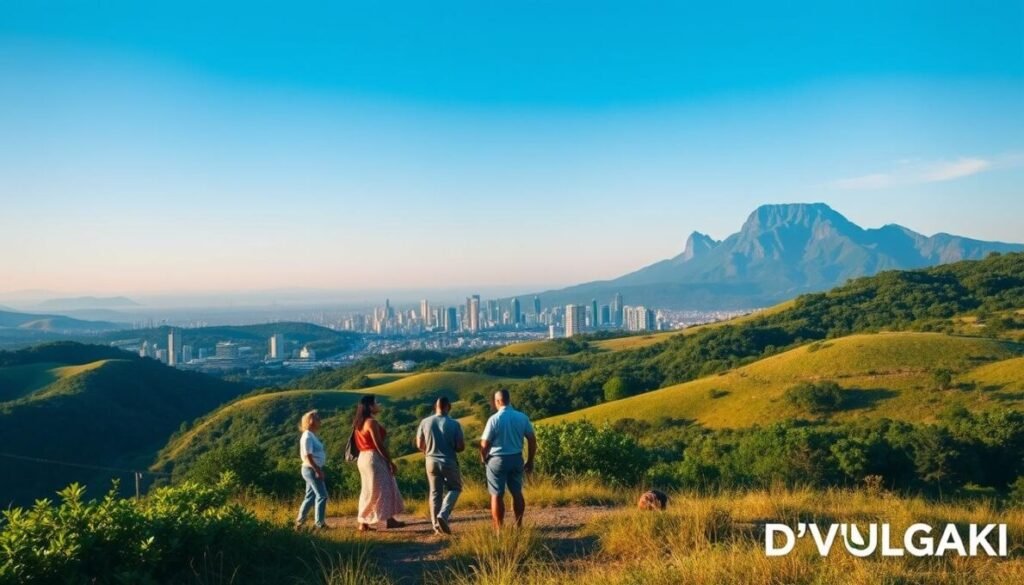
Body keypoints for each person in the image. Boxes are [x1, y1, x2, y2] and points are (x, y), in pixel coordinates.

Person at [479, 389, 537, 533]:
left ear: (498, 401)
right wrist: (530, 460)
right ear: (509, 399)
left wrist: (483, 458)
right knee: (517, 492)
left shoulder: (494, 419)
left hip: (497, 460)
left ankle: (499, 530)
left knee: (496, 494)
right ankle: (519, 525)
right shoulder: (522, 417)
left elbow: (484, 444)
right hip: (516, 458)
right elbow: (531, 439)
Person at [353, 394, 405, 531]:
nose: (379, 405)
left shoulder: (359, 423)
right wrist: (390, 461)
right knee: (384, 488)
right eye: (376, 403)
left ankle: (366, 522)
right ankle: (386, 520)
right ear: (370, 406)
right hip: (373, 457)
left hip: (363, 457)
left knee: (368, 489)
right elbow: (378, 444)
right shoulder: (371, 422)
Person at [416, 396, 466, 535]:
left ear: (435, 407)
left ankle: (436, 527)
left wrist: (428, 451)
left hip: (430, 461)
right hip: (448, 460)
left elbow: (419, 444)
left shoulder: (425, 422)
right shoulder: (454, 424)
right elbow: (460, 446)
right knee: (455, 488)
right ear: (448, 407)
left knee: (434, 492)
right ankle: (443, 514)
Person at [295, 410, 330, 530]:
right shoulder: (307, 436)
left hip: (310, 469)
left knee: (310, 497)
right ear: (310, 421)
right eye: (317, 418)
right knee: (322, 495)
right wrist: (317, 470)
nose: (320, 420)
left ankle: (300, 522)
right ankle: (320, 524)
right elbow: (308, 456)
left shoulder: (310, 435)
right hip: (311, 469)